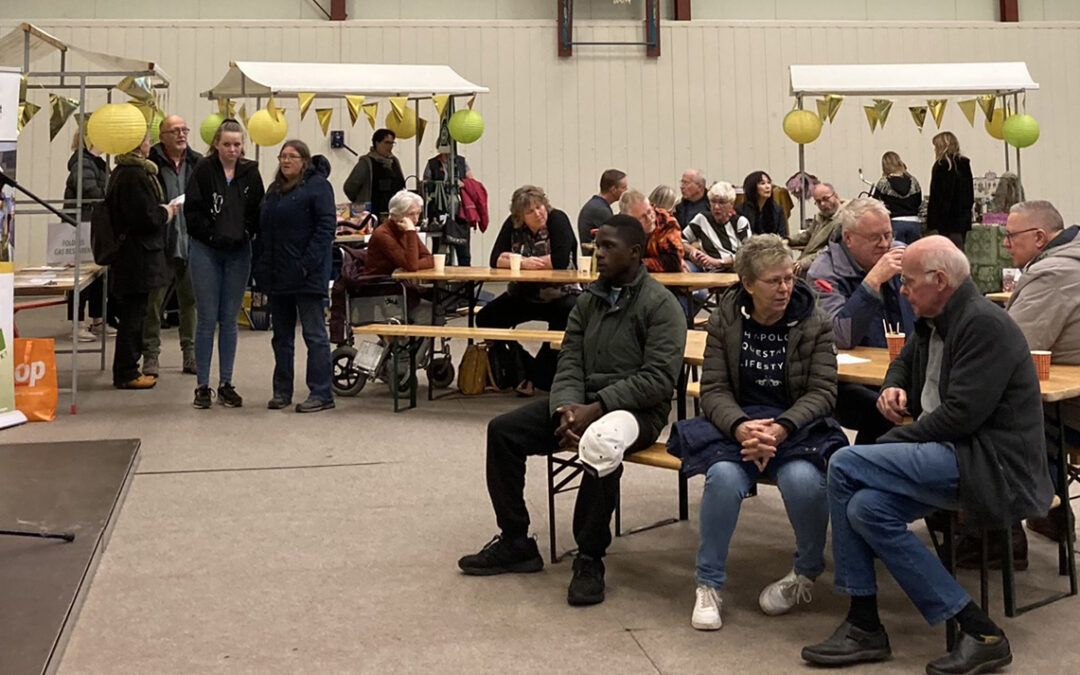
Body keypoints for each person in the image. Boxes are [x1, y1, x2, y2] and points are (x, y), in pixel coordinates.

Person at [802, 236, 1053, 675]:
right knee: (866, 508)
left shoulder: (982, 325)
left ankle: (864, 624)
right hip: (953, 455)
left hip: (989, 463)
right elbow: (904, 359)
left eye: (909, 282)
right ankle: (978, 630)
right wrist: (894, 384)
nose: (902, 290)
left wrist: (888, 446)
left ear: (940, 281)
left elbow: (961, 417)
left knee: (845, 463)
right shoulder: (934, 317)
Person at [457, 214, 687, 606]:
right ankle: (516, 542)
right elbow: (570, 361)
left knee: (600, 443)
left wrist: (595, 409)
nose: (598, 253)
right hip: (580, 403)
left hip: (636, 412)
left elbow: (657, 381)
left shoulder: (661, 306)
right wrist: (566, 408)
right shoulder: (588, 301)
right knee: (503, 431)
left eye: (608, 247)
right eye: (597, 246)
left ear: (634, 253)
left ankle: (590, 558)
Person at [682, 234, 844, 631]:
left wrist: (782, 427)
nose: (785, 288)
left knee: (804, 482)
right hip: (740, 423)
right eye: (774, 281)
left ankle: (805, 572)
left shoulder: (815, 320)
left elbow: (823, 392)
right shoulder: (724, 318)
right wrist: (739, 427)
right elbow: (714, 389)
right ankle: (708, 584)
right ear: (748, 284)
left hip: (796, 424)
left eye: (789, 278)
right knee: (722, 478)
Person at [1002, 200, 1080, 543]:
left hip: (1071, 412)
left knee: (991, 418)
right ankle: (1049, 514)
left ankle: (1000, 537)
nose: (1005, 244)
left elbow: (1009, 345)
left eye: (1009, 236)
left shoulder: (1055, 273)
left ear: (1038, 237)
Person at [807, 197, 914, 445]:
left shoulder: (901, 254)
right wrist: (872, 282)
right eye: (874, 238)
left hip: (903, 370)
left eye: (888, 234)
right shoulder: (824, 271)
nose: (885, 244)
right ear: (849, 238)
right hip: (850, 382)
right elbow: (839, 336)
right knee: (885, 412)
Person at [184, 119, 265, 410]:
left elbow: (258, 209)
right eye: (227, 144)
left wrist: (245, 234)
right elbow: (192, 211)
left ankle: (226, 382)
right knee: (207, 317)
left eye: (237, 144)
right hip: (206, 250)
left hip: (239, 252)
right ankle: (202, 385)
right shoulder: (203, 171)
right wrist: (210, 234)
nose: (232, 149)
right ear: (216, 144)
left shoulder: (250, 173)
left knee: (229, 319)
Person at [253, 140, 336, 413]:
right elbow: (264, 231)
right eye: (282, 156)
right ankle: (282, 391)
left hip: (306, 275)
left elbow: (325, 229)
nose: (286, 161)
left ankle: (322, 392)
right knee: (281, 336)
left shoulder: (318, 187)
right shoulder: (274, 190)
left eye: (292, 156)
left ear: (304, 160)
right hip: (278, 275)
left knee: (314, 335)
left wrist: (306, 265)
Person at [477, 185, 578, 394]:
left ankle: (537, 376)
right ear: (520, 216)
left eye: (540, 207)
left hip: (561, 294)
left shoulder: (557, 219)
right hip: (524, 294)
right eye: (530, 211)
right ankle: (523, 367)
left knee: (569, 318)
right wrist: (525, 263)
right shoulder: (512, 225)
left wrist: (516, 260)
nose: (538, 213)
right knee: (486, 318)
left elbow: (560, 260)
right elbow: (495, 259)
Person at [104, 133, 177, 390]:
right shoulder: (134, 175)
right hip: (138, 256)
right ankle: (126, 372)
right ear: (138, 144)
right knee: (134, 316)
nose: (150, 146)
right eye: (147, 141)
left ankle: (127, 368)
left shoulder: (122, 172)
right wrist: (165, 212)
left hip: (132, 255)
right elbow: (144, 218)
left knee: (134, 314)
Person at [144, 115, 201, 377]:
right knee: (154, 302)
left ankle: (190, 354)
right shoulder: (150, 163)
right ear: (162, 135)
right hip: (160, 241)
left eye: (184, 129)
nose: (181, 134)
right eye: (175, 130)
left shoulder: (197, 162)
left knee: (190, 300)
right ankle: (151, 355)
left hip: (191, 239)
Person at [365, 190, 441, 325]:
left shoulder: (406, 230)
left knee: (438, 307)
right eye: (411, 214)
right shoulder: (384, 234)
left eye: (418, 213)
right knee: (429, 313)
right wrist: (411, 232)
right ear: (396, 215)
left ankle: (411, 344)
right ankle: (402, 344)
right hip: (382, 291)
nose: (416, 219)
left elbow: (429, 259)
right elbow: (411, 265)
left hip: (401, 288)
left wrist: (415, 263)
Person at [62, 130, 110, 342]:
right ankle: (78, 323)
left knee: (98, 273)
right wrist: (109, 193)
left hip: (94, 223)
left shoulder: (98, 162)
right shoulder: (81, 162)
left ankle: (98, 320)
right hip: (79, 224)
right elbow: (88, 189)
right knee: (79, 278)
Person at [682, 181, 750, 272]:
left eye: (722, 203)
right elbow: (680, 240)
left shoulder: (740, 222)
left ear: (731, 205)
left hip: (734, 271)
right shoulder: (702, 219)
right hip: (709, 271)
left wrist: (718, 262)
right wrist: (693, 251)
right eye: (713, 202)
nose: (716, 207)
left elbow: (748, 253)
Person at [423, 150, 475, 265]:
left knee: (463, 250)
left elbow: (471, 182)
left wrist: (464, 184)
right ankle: (440, 279)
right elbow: (425, 184)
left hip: (460, 213)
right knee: (439, 250)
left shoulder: (462, 162)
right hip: (439, 212)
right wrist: (437, 185)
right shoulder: (432, 163)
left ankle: (466, 280)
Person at [343, 128, 405, 219]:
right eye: (387, 143)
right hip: (371, 212)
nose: (390, 146)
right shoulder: (366, 163)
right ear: (377, 143)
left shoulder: (394, 161)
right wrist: (361, 199)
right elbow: (350, 187)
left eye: (392, 143)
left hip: (392, 212)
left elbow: (401, 183)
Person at [927, 131, 974, 250]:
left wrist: (932, 223)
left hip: (946, 221)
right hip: (962, 219)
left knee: (946, 254)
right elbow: (969, 194)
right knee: (959, 251)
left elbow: (937, 197)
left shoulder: (941, 165)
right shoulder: (964, 164)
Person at [620, 189, 683, 273]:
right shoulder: (619, 228)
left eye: (650, 211)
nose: (649, 218)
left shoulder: (667, 222)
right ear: (629, 220)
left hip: (668, 281)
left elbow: (673, 262)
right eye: (642, 217)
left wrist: (637, 264)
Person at [789, 183, 843, 276]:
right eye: (818, 201)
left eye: (826, 199)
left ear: (836, 196)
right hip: (807, 263)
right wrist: (787, 240)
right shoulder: (820, 216)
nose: (822, 204)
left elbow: (832, 250)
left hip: (823, 268)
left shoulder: (844, 220)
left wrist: (805, 262)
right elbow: (807, 236)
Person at [870, 151, 922, 245]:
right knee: (914, 255)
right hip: (914, 223)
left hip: (895, 223)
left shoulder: (884, 183)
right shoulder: (913, 181)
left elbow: (875, 205)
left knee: (897, 254)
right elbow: (918, 201)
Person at [577, 169, 627, 254]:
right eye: (624, 188)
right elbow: (617, 237)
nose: (626, 191)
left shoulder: (596, 206)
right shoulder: (600, 210)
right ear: (613, 189)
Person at [738, 170, 787, 237]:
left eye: (769, 183)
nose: (768, 187)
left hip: (773, 245)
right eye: (762, 183)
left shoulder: (777, 209)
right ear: (752, 187)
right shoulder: (741, 211)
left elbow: (783, 235)